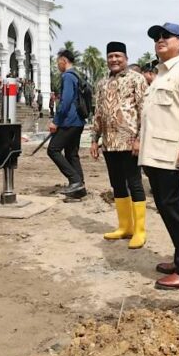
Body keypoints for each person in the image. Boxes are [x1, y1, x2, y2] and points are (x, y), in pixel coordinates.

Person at [138, 22, 179, 290]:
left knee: (177, 212)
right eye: (157, 37)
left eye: (167, 36)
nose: (160, 40)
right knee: (167, 210)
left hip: (171, 156)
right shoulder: (160, 75)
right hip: (154, 154)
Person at [91, 41, 148, 248]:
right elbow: (98, 112)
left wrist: (140, 139)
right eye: (110, 56)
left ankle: (140, 230)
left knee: (134, 183)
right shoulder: (102, 83)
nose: (114, 60)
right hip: (109, 143)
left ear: (126, 58)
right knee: (116, 184)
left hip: (130, 142)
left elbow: (144, 110)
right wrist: (94, 139)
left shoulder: (137, 79)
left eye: (118, 56)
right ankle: (125, 226)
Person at [49, 50, 86, 199]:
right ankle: (80, 189)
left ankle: (75, 180)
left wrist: (56, 121)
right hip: (78, 121)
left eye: (58, 61)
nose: (57, 65)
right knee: (71, 154)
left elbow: (65, 101)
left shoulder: (67, 76)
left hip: (69, 121)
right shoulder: (77, 75)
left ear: (64, 60)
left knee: (53, 149)